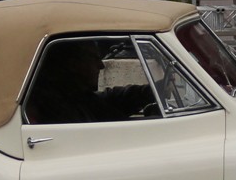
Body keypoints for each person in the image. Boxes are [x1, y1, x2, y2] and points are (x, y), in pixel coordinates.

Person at [26, 40, 155, 124]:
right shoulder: (58, 108)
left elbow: (110, 99)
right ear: (74, 64)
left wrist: (150, 92)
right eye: (94, 59)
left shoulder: (76, 97)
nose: (101, 66)